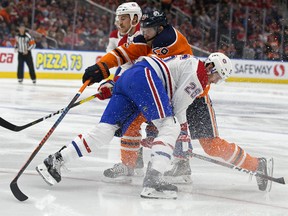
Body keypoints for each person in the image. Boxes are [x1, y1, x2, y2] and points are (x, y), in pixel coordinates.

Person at [36, 52, 233, 199]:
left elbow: (167, 103)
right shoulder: (199, 75)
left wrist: (159, 134)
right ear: (212, 68)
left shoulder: (190, 62)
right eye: (217, 77)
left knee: (105, 130)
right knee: (170, 127)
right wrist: (174, 142)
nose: (215, 82)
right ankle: (153, 180)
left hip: (129, 77)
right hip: (147, 78)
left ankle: (56, 161)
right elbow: (175, 109)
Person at [99, 10, 193, 182]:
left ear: (160, 28)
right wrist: (109, 76)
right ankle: (130, 164)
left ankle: (182, 162)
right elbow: (127, 60)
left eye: (148, 29)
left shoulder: (167, 40)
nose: (144, 32)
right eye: (143, 28)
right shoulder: (146, 37)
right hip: (153, 85)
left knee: (174, 121)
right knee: (132, 123)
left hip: (173, 88)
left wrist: (117, 84)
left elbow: (143, 67)